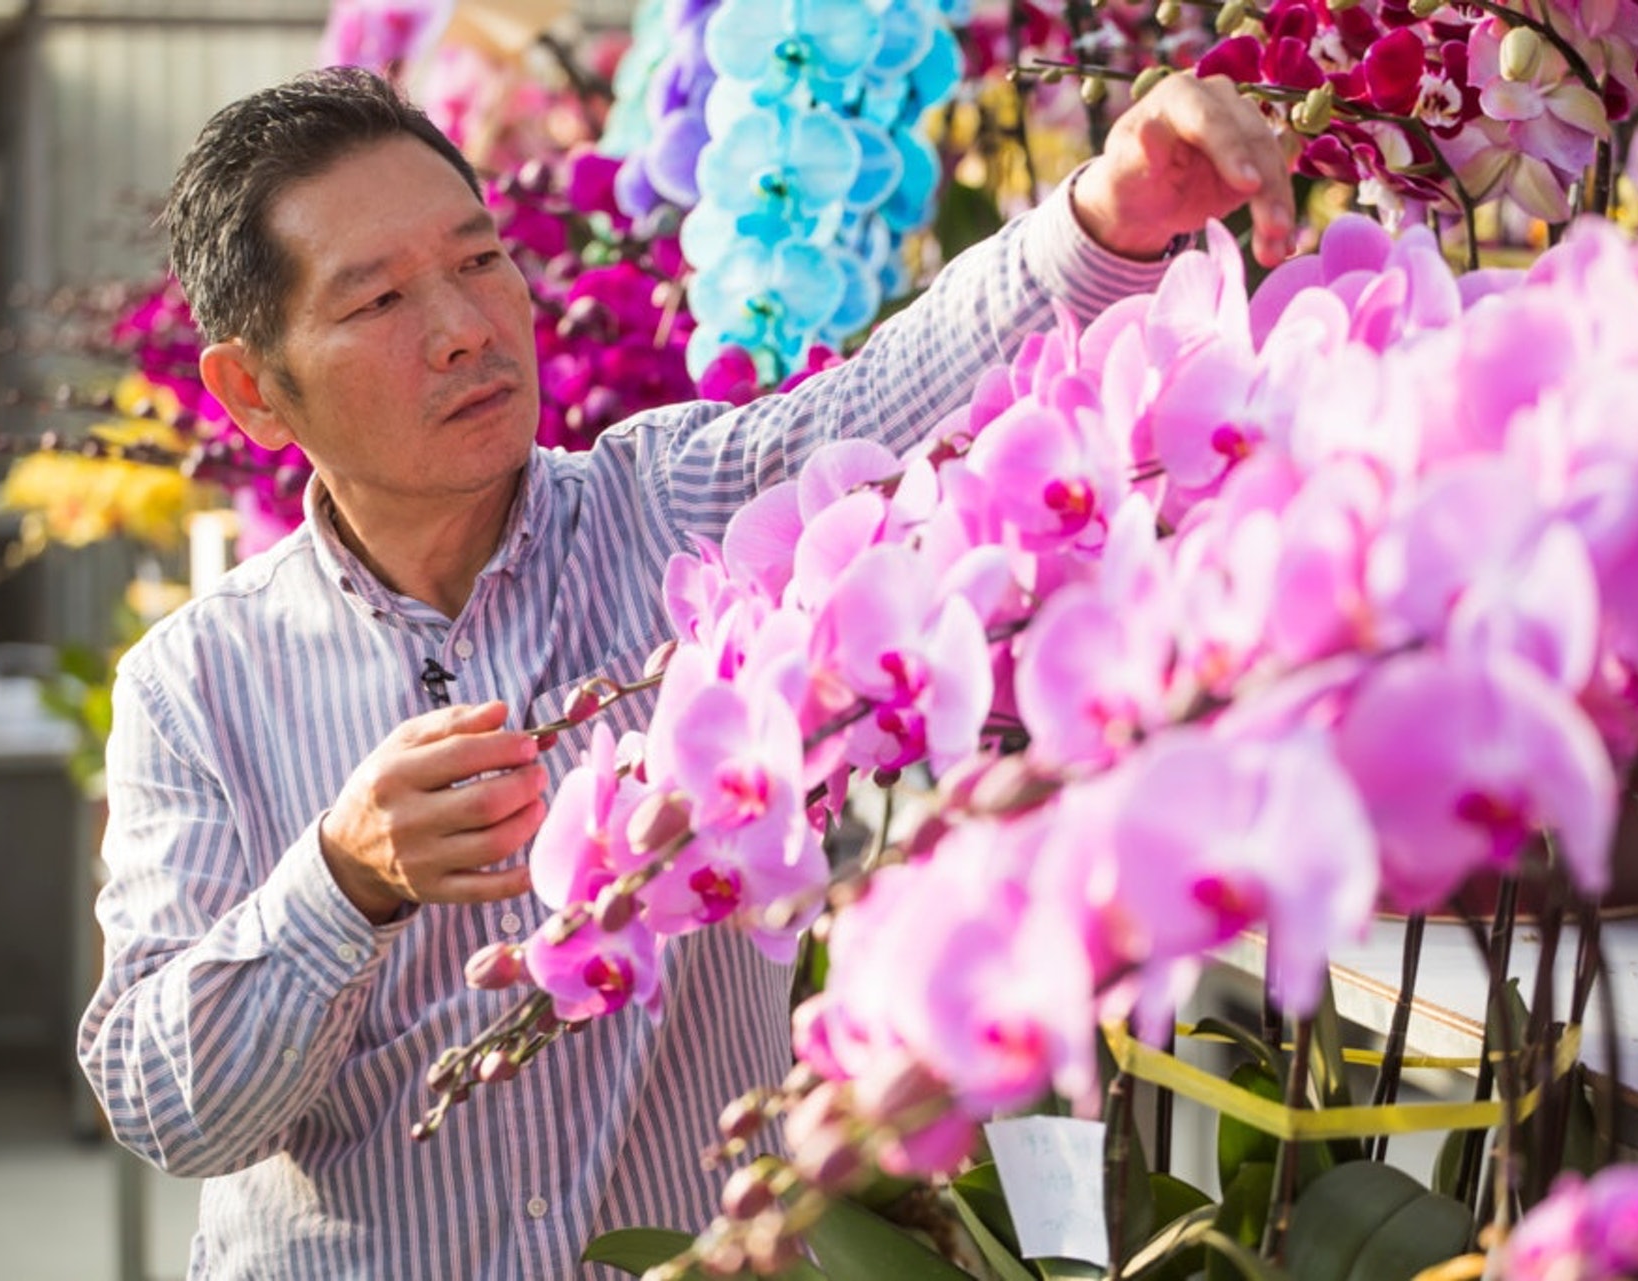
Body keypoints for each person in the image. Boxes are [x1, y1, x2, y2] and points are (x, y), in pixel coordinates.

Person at [77, 64, 1294, 1280]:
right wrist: (340, 887)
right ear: (252, 391)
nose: (463, 327)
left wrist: (1107, 223)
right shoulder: (196, 687)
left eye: (479, 259)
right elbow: (168, 1110)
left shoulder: (674, 512)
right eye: (382, 297)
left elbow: (885, 399)